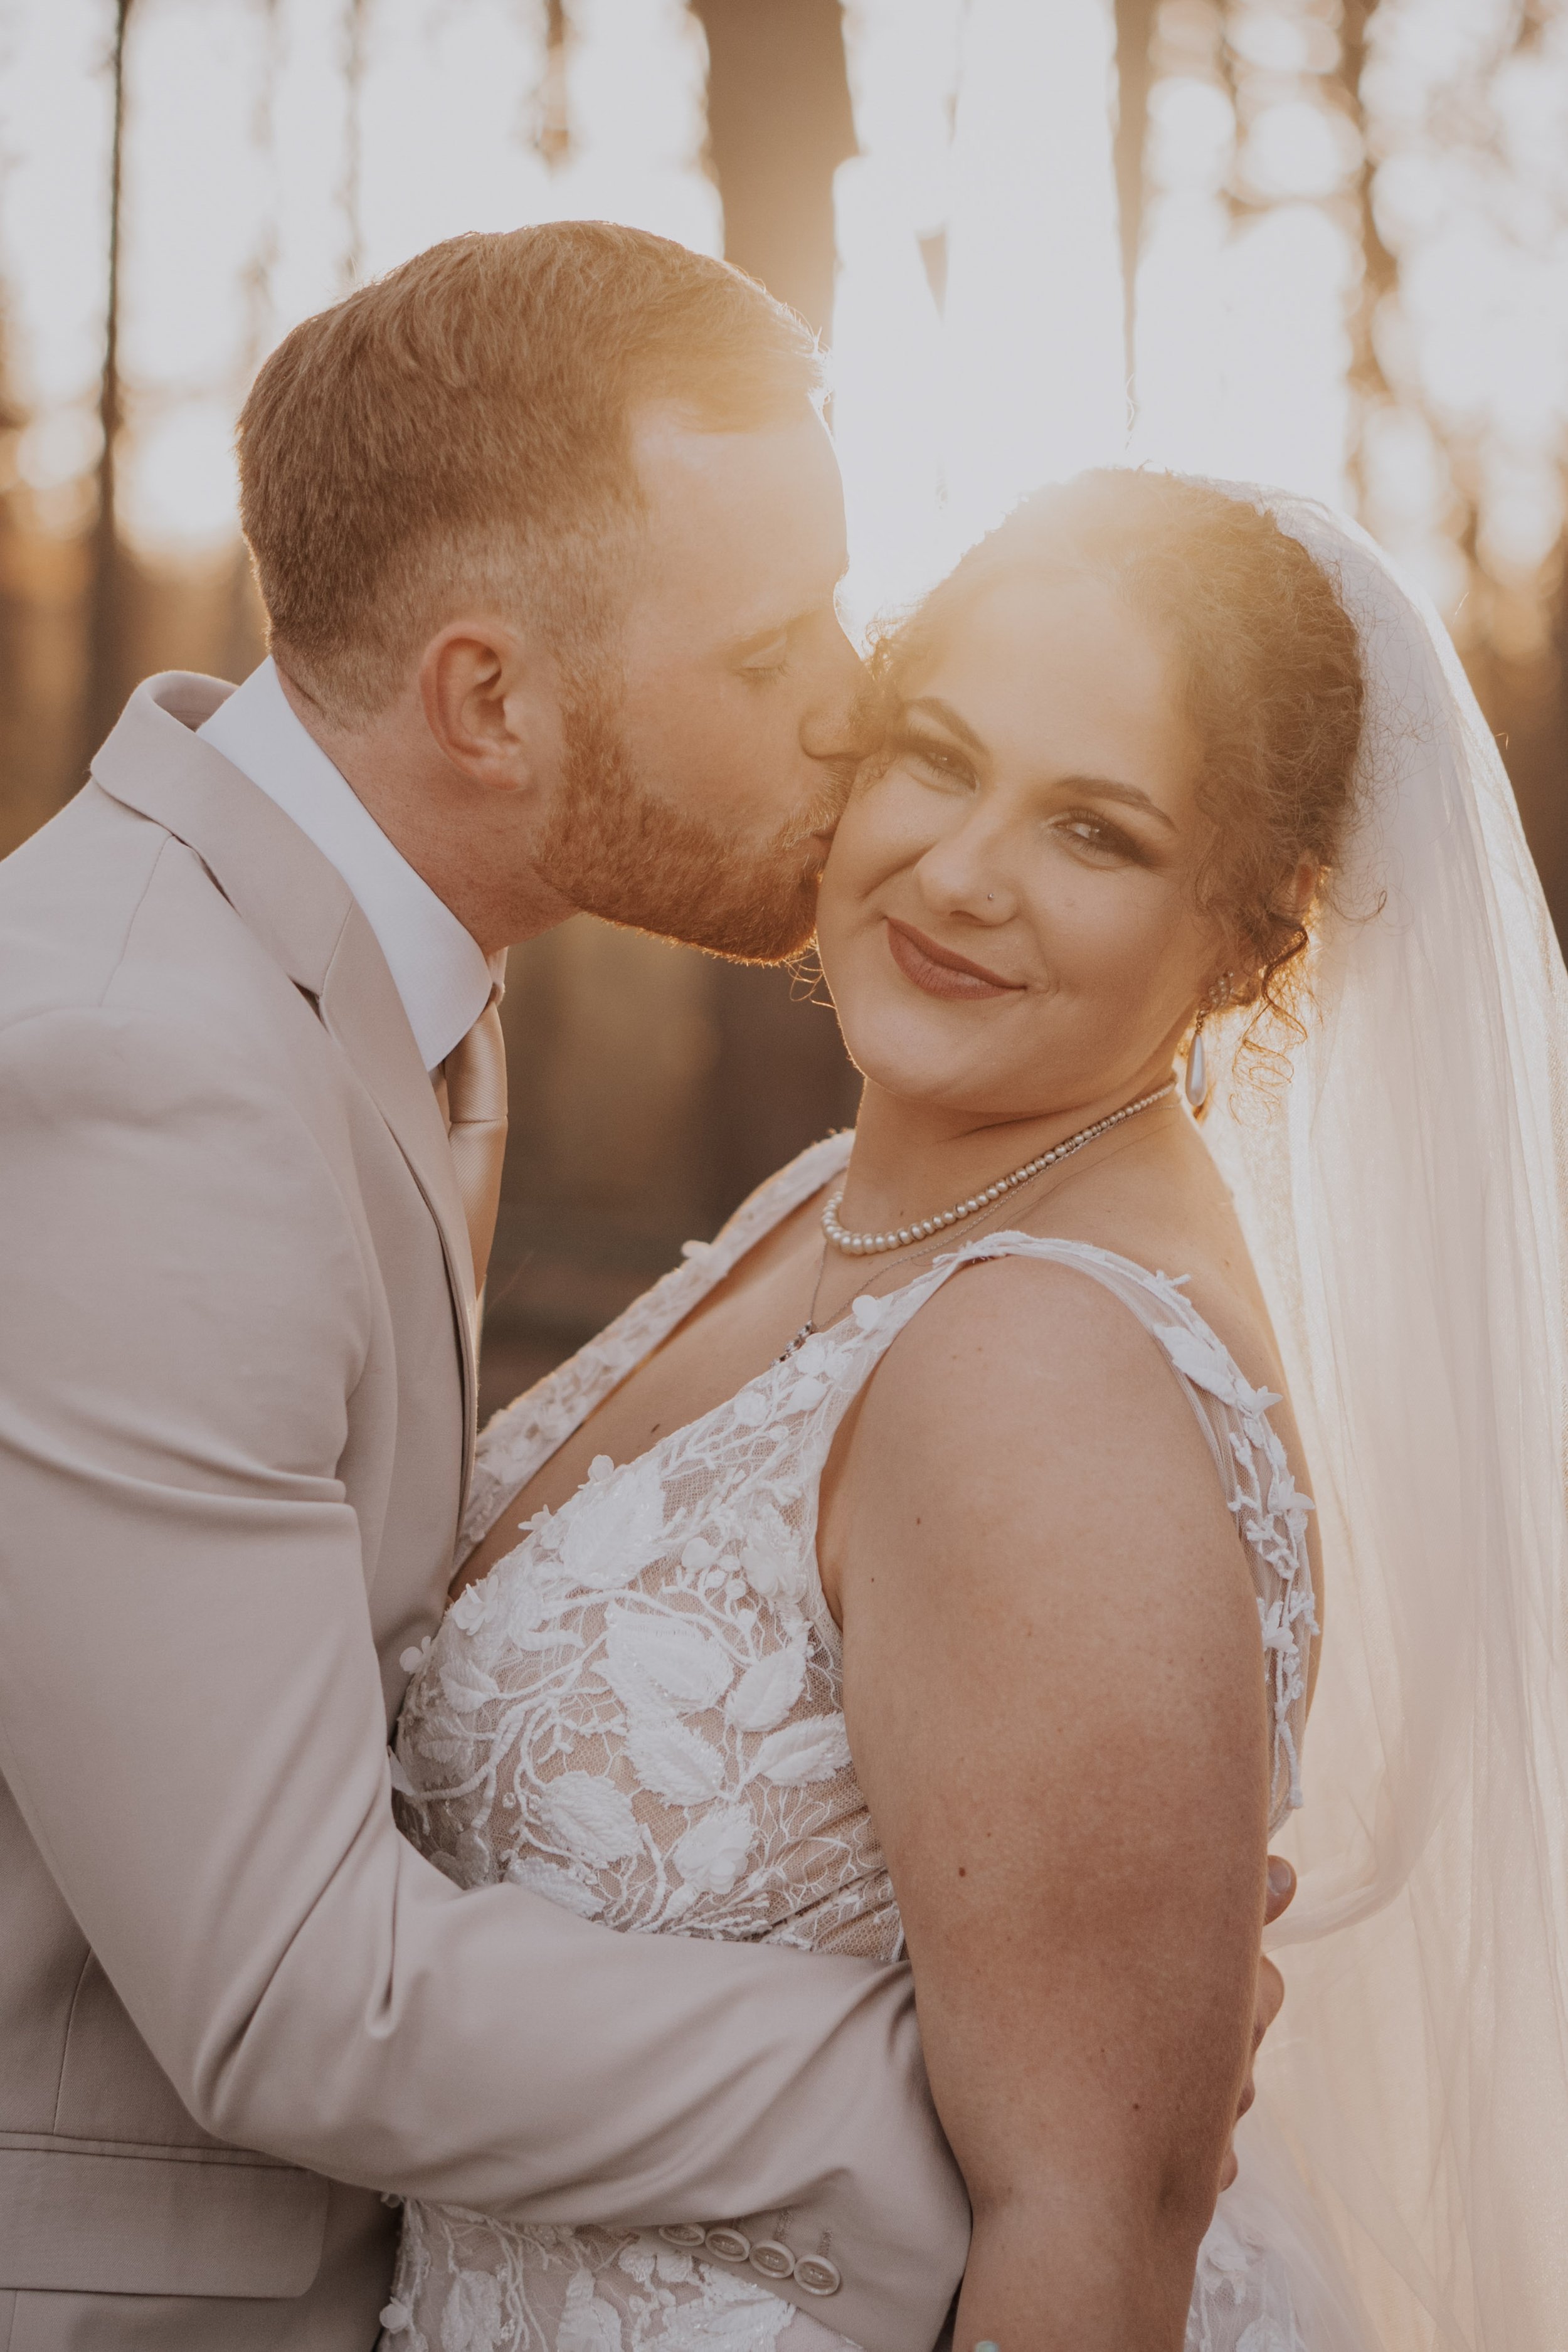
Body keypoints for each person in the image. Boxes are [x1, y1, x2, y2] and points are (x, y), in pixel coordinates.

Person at [0, 228, 1279, 2352]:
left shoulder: (338, 951)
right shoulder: (144, 1070)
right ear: (489, 698)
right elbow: (286, 1988)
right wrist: (1009, 2110)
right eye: (774, 649)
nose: (850, 702)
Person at [387, 466, 1568, 2352]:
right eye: (935, 758)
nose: (957, 873)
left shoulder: (1044, 1367)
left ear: (1256, 933)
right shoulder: (844, 1205)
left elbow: (1093, 2237)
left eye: (1093, 831)